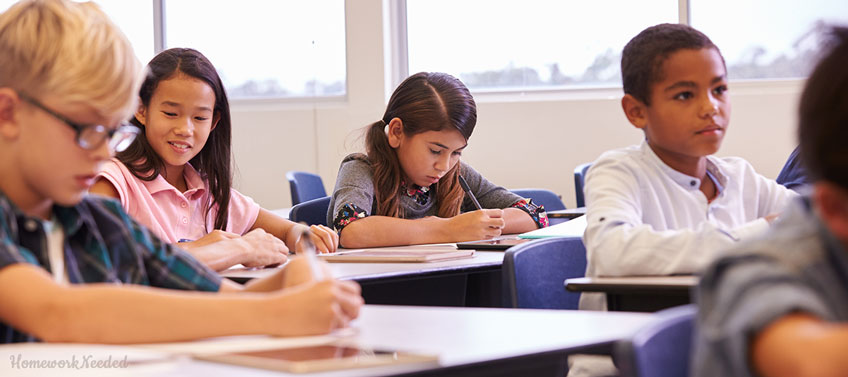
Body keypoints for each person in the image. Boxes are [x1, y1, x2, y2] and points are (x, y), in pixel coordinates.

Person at [0, 0, 361, 344]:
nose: (102, 153)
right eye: (87, 130)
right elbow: (60, 313)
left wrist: (291, 281)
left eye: (112, 132)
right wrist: (274, 311)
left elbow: (219, 299)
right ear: (8, 113)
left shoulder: (99, 221)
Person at [90, 48, 338, 272]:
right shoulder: (114, 181)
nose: (185, 129)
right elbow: (103, 258)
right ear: (141, 110)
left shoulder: (209, 191)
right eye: (170, 113)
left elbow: (286, 230)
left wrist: (304, 235)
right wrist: (207, 249)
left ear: (214, 122)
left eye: (199, 118)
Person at [692, 26, 848, 377]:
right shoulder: (755, 278)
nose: (709, 109)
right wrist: (760, 226)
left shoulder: (736, 174)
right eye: (686, 95)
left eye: (719, 91)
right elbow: (810, 361)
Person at [327, 72, 548, 248]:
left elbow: (535, 214)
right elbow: (351, 230)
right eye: (435, 150)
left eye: (456, 153)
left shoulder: (456, 174)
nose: (444, 166)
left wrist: (481, 225)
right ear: (396, 132)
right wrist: (449, 229)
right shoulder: (361, 169)